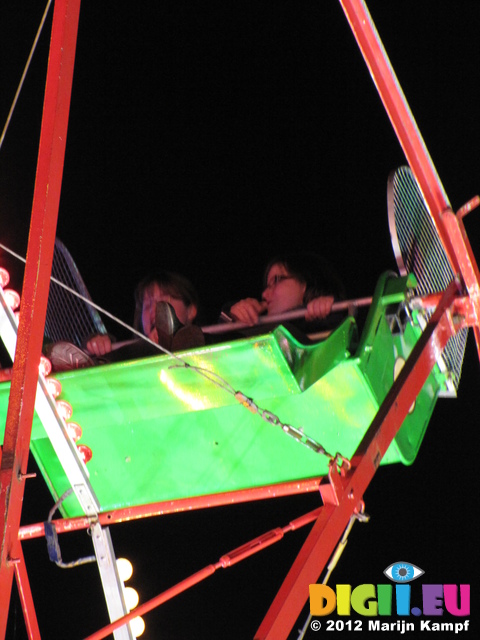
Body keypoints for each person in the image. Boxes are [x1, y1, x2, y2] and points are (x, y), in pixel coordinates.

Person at [47, 270, 204, 371]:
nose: (155, 310)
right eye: (148, 305)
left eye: (165, 300)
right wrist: (98, 348)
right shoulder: (128, 356)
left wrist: (228, 312)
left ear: (191, 311)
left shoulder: (215, 339)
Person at [220, 252, 346, 340]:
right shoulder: (260, 329)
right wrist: (232, 319)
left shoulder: (334, 324)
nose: (264, 294)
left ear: (306, 284)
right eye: (266, 286)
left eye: (277, 280)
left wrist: (331, 309)